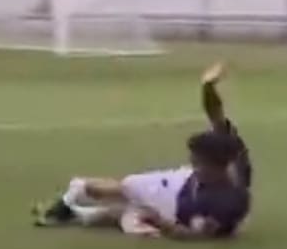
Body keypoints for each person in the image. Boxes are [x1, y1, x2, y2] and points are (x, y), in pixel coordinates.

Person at [33, 62, 252, 239]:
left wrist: (155, 219)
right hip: (177, 186)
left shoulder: (229, 202)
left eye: (198, 163)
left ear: (215, 165)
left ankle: (75, 211)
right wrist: (207, 87)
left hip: (176, 210)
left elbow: (192, 235)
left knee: (122, 213)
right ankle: (74, 193)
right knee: (126, 188)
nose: (194, 165)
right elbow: (215, 112)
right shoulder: (230, 150)